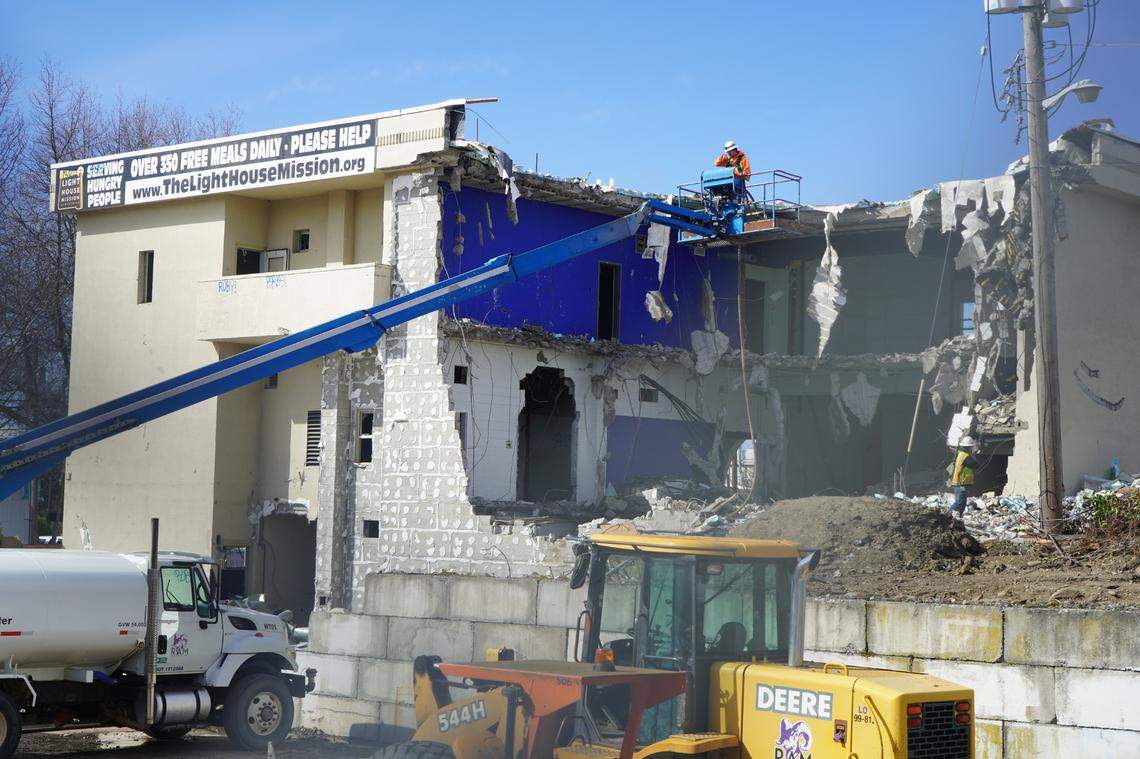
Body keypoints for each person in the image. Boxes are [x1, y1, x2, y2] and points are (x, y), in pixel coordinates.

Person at [947, 436, 978, 516]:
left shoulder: (960, 454)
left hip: (959, 482)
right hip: (961, 483)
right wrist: (973, 454)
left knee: (962, 503)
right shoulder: (966, 457)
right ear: (969, 447)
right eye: (971, 447)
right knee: (959, 502)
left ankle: (957, 517)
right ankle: (947, 515)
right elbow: (976, 465)